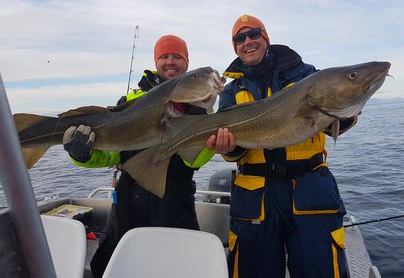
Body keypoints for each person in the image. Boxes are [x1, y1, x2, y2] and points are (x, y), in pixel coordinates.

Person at [206, 14, 357, 278]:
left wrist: (344, 111)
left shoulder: (306, 75)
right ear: (235, 46)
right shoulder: (230, 91)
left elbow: (336, 121)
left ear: (265, 37)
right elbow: (235, 151)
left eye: (254, 34)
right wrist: (228, 148)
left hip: (310, 189)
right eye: (240, 38)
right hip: (256, 196)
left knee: (320, 270)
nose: (248, 41)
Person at [63, 35, 215, 278]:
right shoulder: (128, 102)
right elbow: (111, 155)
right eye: (164, 56)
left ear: (187, 63)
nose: (170, 62)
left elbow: (195, 160)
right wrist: (81, 154)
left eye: (177, 57)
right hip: (127, 203)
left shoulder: (201, 107)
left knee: (178, 269)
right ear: (156, 61)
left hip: (175, 201)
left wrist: (203, 120)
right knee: (119, 267)